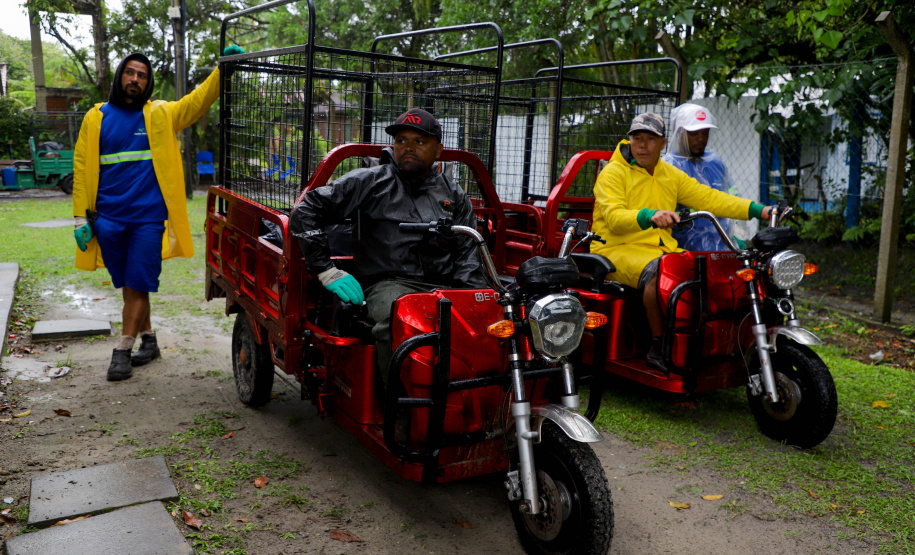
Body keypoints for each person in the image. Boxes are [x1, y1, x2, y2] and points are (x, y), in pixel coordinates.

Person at [73, 46, 244, 381]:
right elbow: (81, 168)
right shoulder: (96, 117)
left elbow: (196, 103)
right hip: (107, 220)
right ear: (121, 75)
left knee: (139, 281)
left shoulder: (160, 114)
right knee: (129, 284)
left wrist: (223, 71)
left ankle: (122, 350)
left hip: (148, 220)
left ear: (147, 83)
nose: (135, 79)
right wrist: (81, 218)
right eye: (130, 72)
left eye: (142, 75)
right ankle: (149, 341)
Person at [289, 108, 485, 384]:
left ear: (438, 150)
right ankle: (399, 412)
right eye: (401, 140)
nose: (408, 148)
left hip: (443, 285)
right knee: (401, 322)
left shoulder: (454, 194)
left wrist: (473, 301)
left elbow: (467, 254)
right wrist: (326, 270)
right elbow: (306, 209)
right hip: (386, 285)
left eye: (419, 142)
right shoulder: (370, 181)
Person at [590, 112, 771, 373]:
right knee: (659, 273)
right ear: (629, 141)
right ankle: (658, 346)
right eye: (637, 138)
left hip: (660, 249)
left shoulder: (669, 174)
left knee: (700, 270)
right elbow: (614, 218)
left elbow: (710, 198)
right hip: (614, 249)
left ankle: (696, 342)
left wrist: (758, 210)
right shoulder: (613, 174)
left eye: (650, 139)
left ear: (663, 143)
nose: (642, 145)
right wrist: (649, 215)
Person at [663, 104, 739, 251]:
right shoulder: (667, 166)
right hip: (681, 250)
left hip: (722, 246)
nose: (701, 139)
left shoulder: (715, 163)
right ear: (679, 133)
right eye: (694, 133)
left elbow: (731, 195)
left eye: (705, 133)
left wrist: (736, 232)